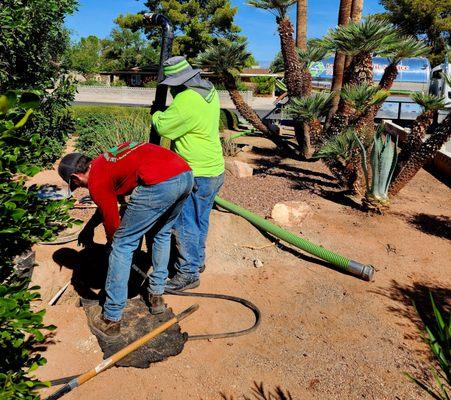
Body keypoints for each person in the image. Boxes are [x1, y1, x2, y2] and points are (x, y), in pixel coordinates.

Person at [58, 142, 193, 337]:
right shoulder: (105, 163)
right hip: (185, 175)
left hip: (159, 183)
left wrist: (112, 246)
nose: (81, 188)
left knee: (121, 246)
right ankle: (156, 297)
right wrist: (89, 227)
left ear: (75, 177)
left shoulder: (96, 180)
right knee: (160, 234)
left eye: (76, 185)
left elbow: (112, 223)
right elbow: (107, 204)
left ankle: (111, 318)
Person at [152, 56, 225, 291]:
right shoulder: (209, 90)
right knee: (200, 218)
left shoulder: (186, 101)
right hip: (214, 169)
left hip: (197, 172)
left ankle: (188, 273)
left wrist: (156, 113)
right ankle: (197, 260)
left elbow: (163, 127)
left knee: (185, 223)